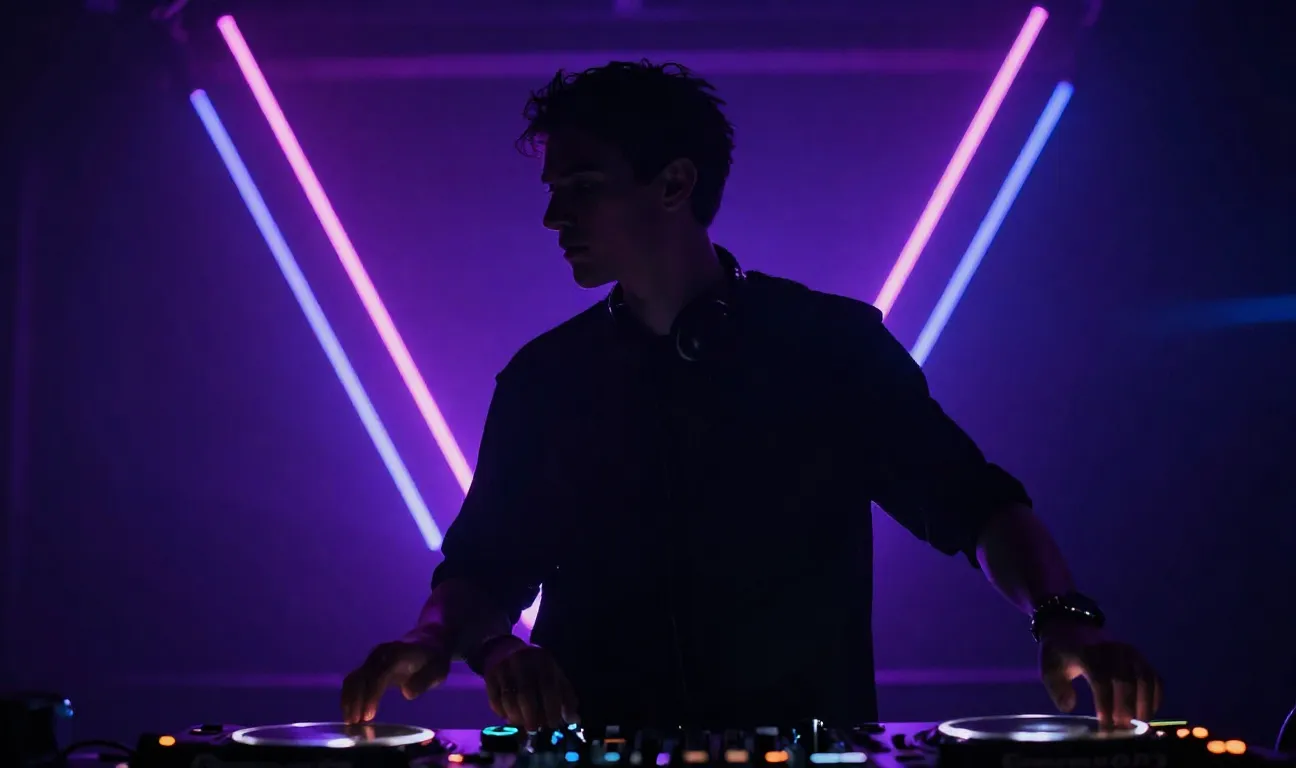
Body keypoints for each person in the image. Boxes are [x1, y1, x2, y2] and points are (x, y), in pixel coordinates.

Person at [340, 61, 1161, 732]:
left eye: (583, 185)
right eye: (554, 189)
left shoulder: (829, 347)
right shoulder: (544, 380)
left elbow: (971, 500)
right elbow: (486, 567)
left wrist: (1065, 617)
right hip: (592, 748)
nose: (555, 215)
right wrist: (454, 642)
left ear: (675, 183)